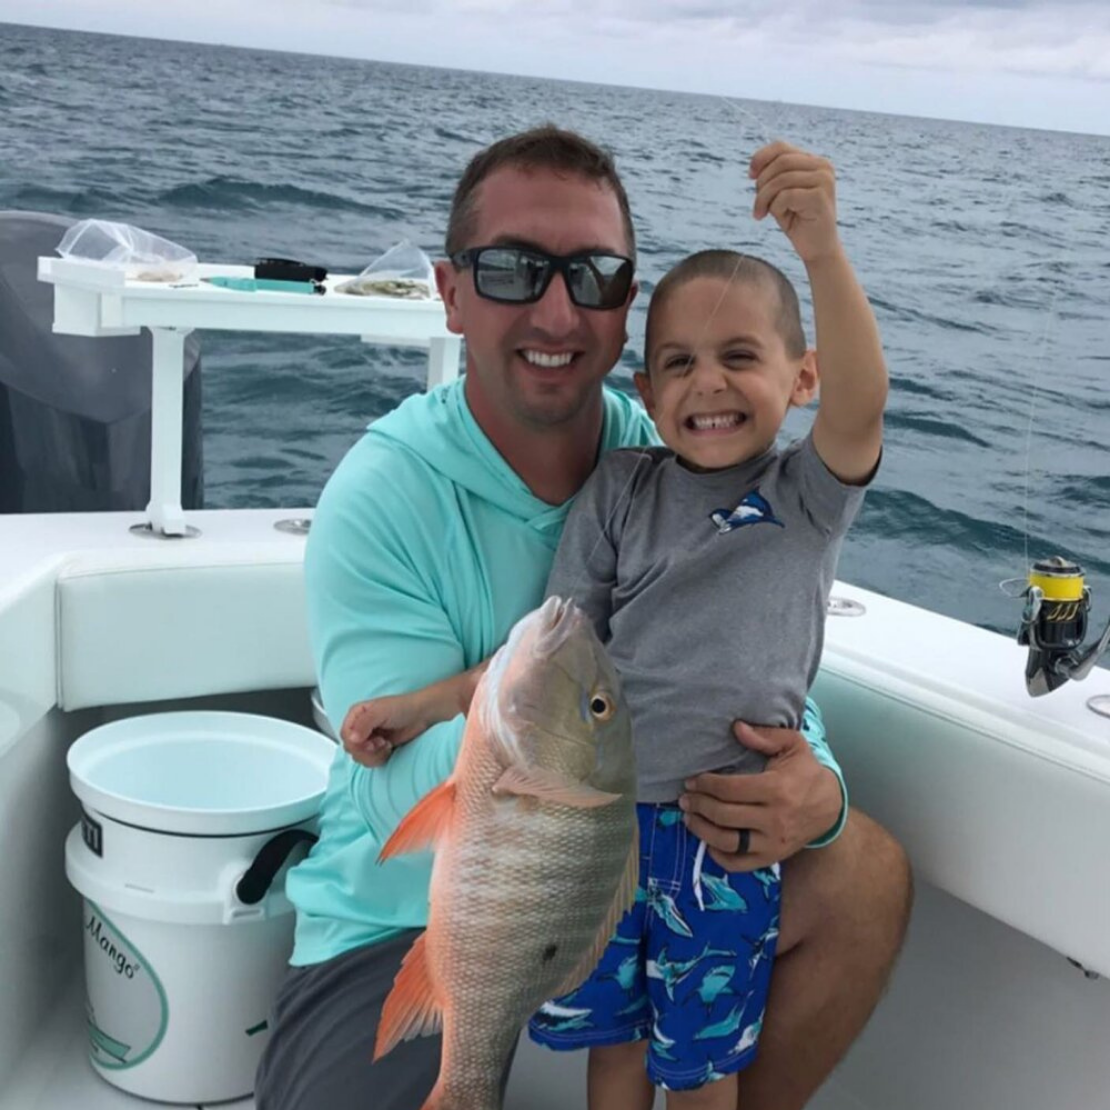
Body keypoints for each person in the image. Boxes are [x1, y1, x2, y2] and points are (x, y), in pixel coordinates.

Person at [254, 125, 912, 1110]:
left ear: (624, 309)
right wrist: (566, 791)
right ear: (450, 292)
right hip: (417, 917)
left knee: (864, 873)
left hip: (647, 873)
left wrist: (809, 788)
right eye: (515, 269)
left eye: (595, 274)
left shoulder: (673, 452)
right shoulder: (381, 496)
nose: (558, 307)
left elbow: (734, 647)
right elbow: (393, 793)